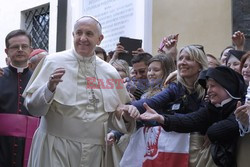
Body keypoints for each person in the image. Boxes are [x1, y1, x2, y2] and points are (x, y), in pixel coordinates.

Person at [22, 15, 139, 167]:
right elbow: (33, 108)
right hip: (55, 146)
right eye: (79, 33)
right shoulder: (52, 61)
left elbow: (116, 115)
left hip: (95, 152)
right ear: (73, 35)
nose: (82, 38)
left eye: (89, 34)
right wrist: (48, 88)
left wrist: (127, 116)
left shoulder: (110, 72)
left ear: (100, 39)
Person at [140, 66, 246, 167]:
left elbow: (227, 126)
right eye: (207, 87)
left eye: (213, 86)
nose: (208, 91)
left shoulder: (242, 105)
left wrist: (211, 131)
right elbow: (191, 120)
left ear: (227, 86)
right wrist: (161, 118)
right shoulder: (211, 108)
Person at [121, 45, 208, 167]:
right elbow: (153, 102)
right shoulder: (176, 87)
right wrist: (128, 107)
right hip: (176, 147)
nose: (182, 62)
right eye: (181, 58)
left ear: (200, 64)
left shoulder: (209, 87)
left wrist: (163, 119)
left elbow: (198, 119)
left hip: (199, 147)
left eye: (188, 58)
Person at [0, 29, 39, 167]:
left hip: (32, 143)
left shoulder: (39, 78)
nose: (20, 50)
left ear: (31, 49)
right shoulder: (0, 75)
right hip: (2, 144)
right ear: (7, 51)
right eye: (15, 47)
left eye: (24, 46)